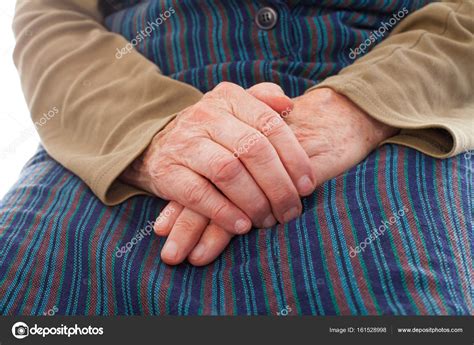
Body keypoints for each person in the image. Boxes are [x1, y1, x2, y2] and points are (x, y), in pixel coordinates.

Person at [1, 0, 471, 315]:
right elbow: (53, 15)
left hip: (390, 122)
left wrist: (357, 108)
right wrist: (156, 134)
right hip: (116, 129)